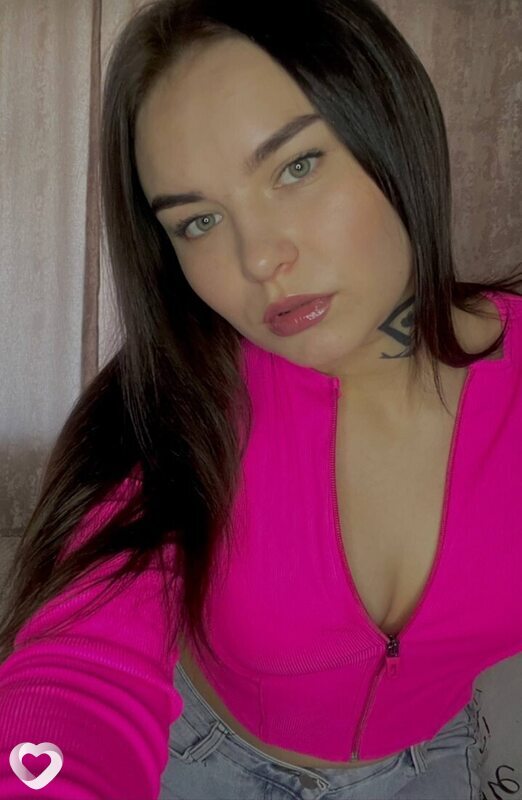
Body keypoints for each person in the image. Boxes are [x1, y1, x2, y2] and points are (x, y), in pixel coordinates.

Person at [0, 1, 520, 798]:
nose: (258, 259)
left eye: (296, 167)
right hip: (199, 762)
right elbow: (77, 679)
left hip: (430, 769)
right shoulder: (172, 411)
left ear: (393, 127)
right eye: (199, 221)